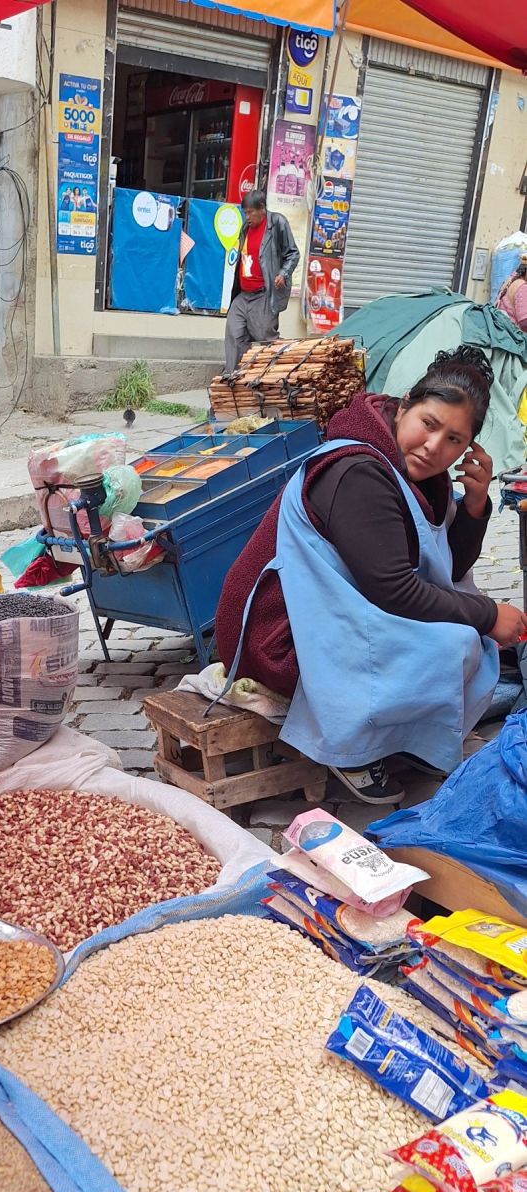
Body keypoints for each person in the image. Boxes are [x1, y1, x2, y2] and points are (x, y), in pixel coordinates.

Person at [214, 345, 526, 805]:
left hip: (336, 609)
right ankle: (350, 749)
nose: (435, 447)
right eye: (430, 424)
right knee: (456, 642)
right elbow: (395, 589)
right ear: (403, 407)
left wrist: (475, 506)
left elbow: (445, 569)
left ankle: (405, 738)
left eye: (455, 440)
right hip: (276, 636)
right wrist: (487, 614)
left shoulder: (421, 475)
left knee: (464, 634)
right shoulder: (359, 469)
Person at [223, 190, 300, 376]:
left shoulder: (277, 224)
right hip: (243, 295)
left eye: (250, 212)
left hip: (264, 294)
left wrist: (283, 273)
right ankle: (232, 380)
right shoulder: (245, 228)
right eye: (245, 212)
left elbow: (293, 253)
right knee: (234, 334)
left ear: (262, 209)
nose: (247, 216)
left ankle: (283, 376)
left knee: (266, 338)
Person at [495, 255, 527, 333]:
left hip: (503, 333)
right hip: (515, 338)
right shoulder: (523, 287)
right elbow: (524, 321)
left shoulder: (510, 280)